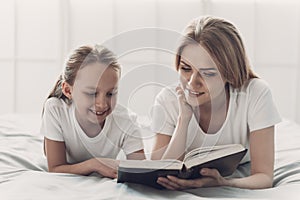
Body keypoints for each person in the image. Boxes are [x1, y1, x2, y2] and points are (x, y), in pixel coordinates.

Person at [151, 16, 281, 190]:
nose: (191, 83)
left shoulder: (255, 93)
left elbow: (264, 176)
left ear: (230, 73)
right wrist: (183, 120)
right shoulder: (168, 99)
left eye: (208, 73)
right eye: (186, 69)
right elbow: (157, 172)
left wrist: (224, 183)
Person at [41, 45, 145, 179]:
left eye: (110, 93)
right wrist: (95, 164)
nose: (102, 104)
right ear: (68, 91)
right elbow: (55, 168)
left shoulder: (126, 121)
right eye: (92, 93)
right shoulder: (56, 109)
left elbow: (142, 169)